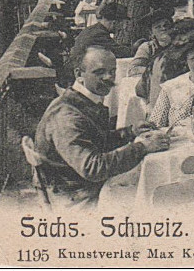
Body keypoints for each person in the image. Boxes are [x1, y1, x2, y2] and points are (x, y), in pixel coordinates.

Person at [33, 45, 170, 208]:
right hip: (75, 196)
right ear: (79, 74)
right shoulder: (66, 115)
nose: (108, 77)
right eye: (99, 72)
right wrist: (142, 147)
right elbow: (92, 168)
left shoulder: (81, 100)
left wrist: (130, 132)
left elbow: (95, 140)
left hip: (78, 184)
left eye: (112, 71)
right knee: (158, 197)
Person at [135, 19, 194, 105]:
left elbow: (140, 89)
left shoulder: (159, 58)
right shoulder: (182, 61)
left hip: (157, 112)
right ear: (181, 40)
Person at [69, 0, 133, 66]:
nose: (121, 28)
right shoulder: (99, 34)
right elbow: (119, 53)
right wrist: (137, 48)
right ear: (115, 22)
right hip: (79, 71)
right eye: (121, 24)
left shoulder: (92, 29)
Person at [130, 8, 175, 76]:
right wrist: (156, 71)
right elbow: (133, 69)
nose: (163, 28)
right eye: (158, 27)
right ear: (151, 32)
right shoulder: (148, 47)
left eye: (166, 25)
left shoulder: (180, 44)